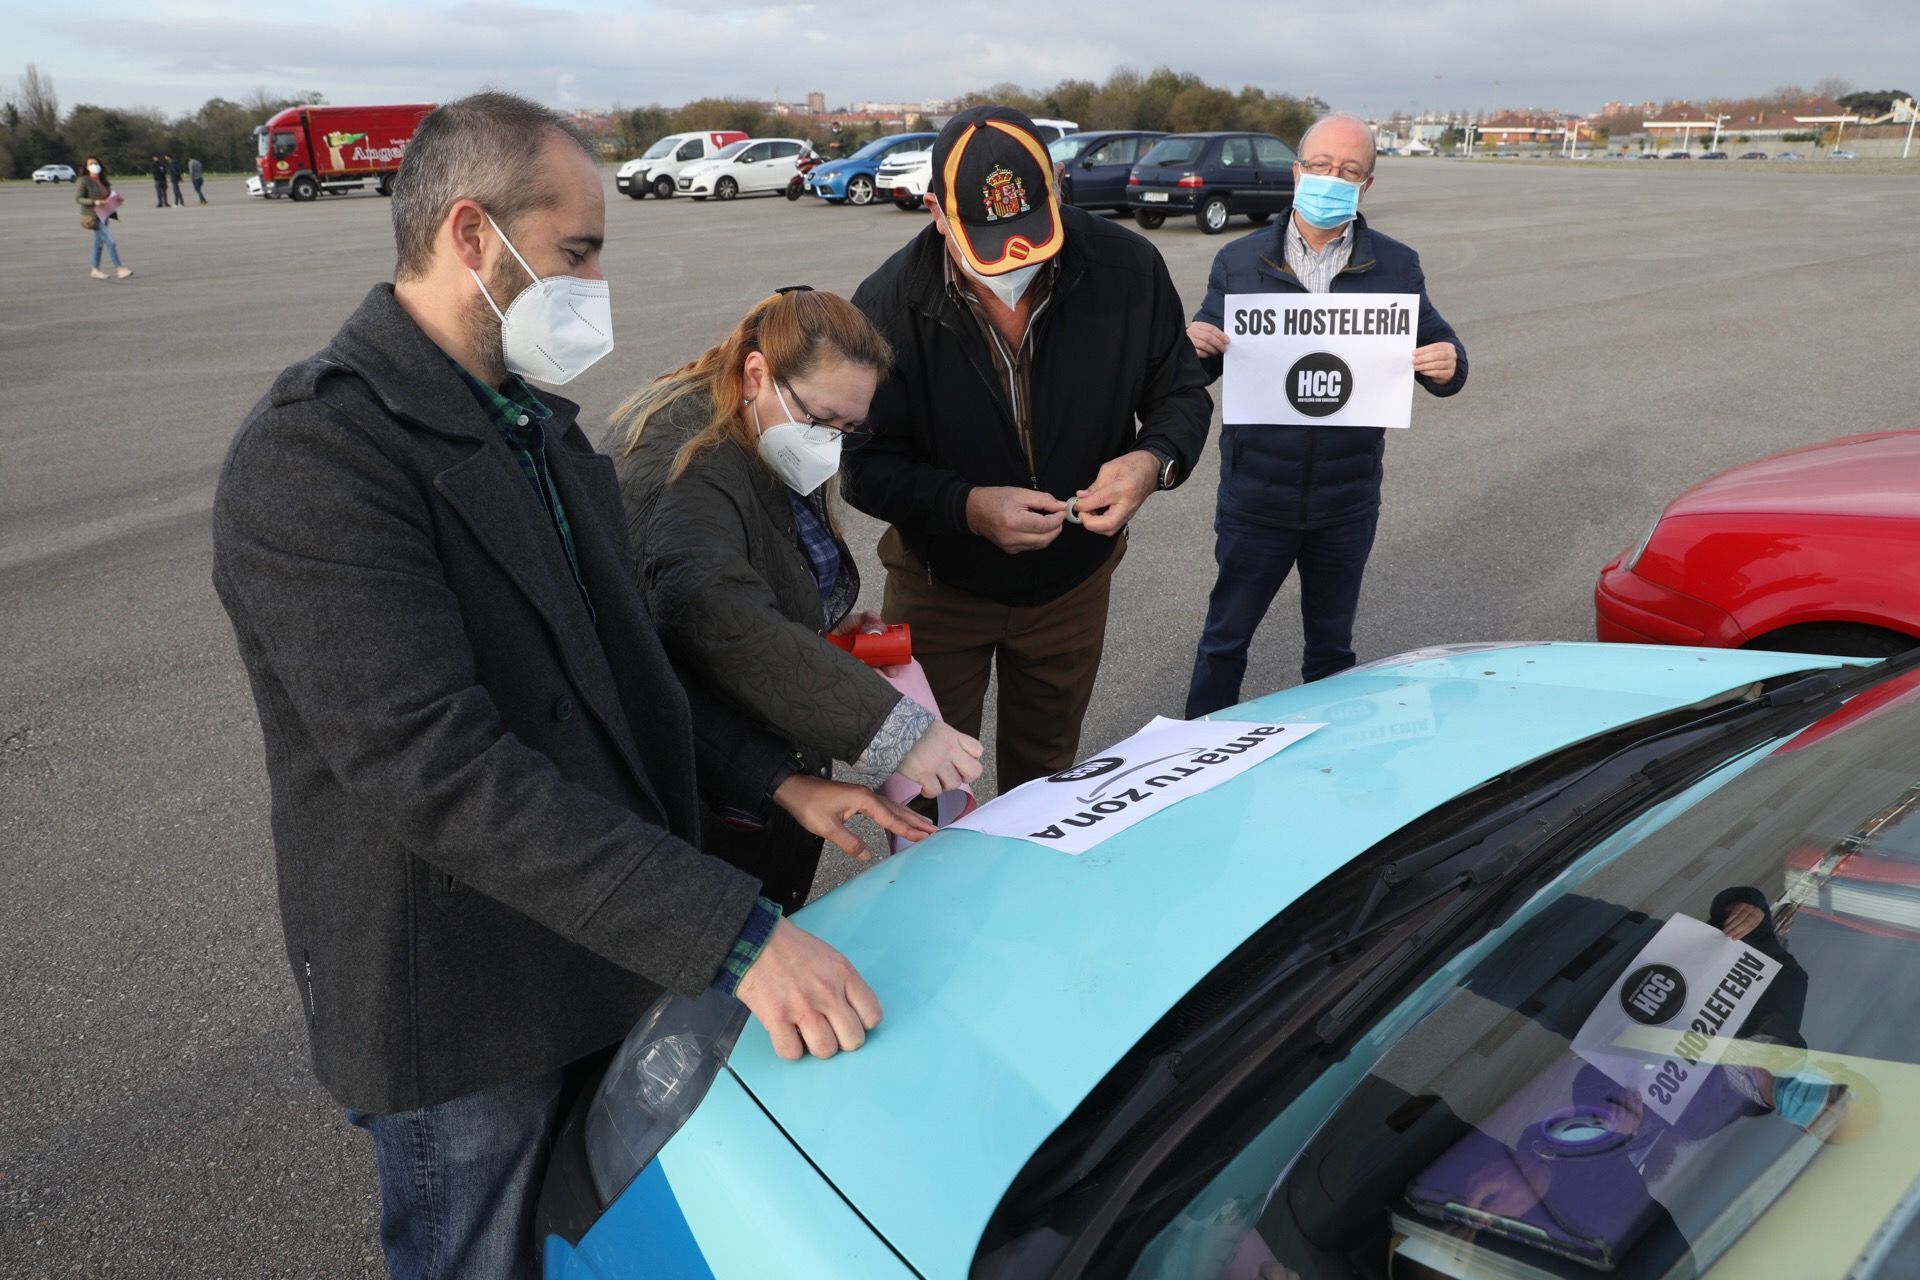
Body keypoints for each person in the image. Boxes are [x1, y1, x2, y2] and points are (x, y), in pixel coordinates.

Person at [210, 91, 930, 1280]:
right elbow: (443, 774)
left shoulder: (539, 430)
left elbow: (623, 677)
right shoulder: (319, 455)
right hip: (468, 1006)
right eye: (578, 251)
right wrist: (736, 934)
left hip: (599, 945)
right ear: (470, 238)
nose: (595, 285)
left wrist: (784, 787)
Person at [846, 105, 1212, 790]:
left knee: (1046, 779)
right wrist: (966, 507)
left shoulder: (1128, 268)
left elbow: (1182, 397)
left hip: (1071, 588)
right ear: (936, 211)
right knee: (927, 786)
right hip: (939, 587)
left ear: (1057, 190)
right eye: (988, 239)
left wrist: (1150, 462)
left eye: (1030, 231)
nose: (1015, 259)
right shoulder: (886, 305)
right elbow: (862, 468)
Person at [607, 287, 986, 912]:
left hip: (758, 765)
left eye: (848, 429)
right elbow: (714, 609)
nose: (831, 444)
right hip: (707, 793)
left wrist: (822, 624)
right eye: (820, 421)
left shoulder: (749, 428)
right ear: (756, 374)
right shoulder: (685, 466)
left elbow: (762, 571)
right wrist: (893, 730)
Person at [1183, 115, 1468, 718]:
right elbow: (1200, 364)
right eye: (1320, 167)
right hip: (1256, 496)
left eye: (1349, 171)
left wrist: (1450, 363)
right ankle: (1197, 750)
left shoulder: (1396, 264)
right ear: (1297, 172)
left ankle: (1331, 757)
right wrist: (1194, 348)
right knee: (1225, 643)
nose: (1331, 180)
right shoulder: (1238, 261)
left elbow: (1438, 346)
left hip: (1346, 500)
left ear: (1367, 185)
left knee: (1331, 653)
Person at [75, 156, 133, 280]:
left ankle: (95, 270)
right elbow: (78, 198)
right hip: (92, 216)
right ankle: (119, 268)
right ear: (86, 167)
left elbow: (107, 196)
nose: (94, 165)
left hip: (104, 215)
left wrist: (116, 199)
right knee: (110, 241)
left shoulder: (103, 181)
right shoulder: (84, 180)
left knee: (98, 243)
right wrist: (94, 201)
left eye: (95, 163)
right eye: (90, 164)